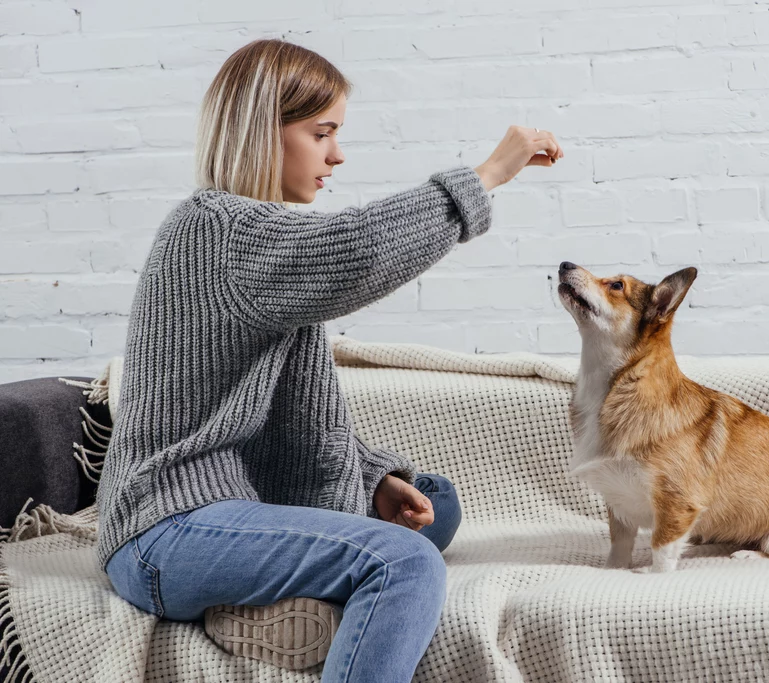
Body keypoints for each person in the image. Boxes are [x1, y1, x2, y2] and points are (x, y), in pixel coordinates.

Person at [98, 38, 563, 682]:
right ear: (265, 132)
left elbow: (301, 422)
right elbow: (362, 251)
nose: (337, 155)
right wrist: (484, 176)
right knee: (404, 561)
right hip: (165, 530)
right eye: (322, 134)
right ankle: (265, 599)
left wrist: (370, 480)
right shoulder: (215, 229)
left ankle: (266, 603)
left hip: (230, 504)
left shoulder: (265, 240)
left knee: (435, 501)